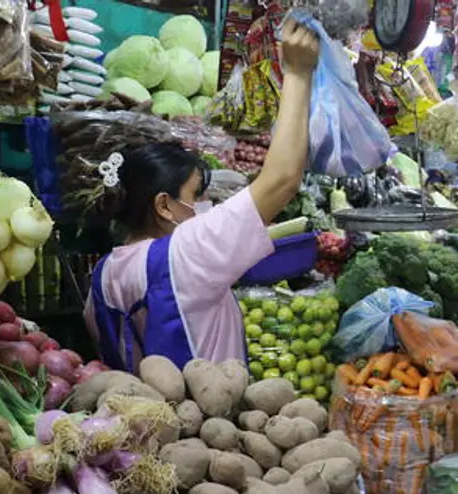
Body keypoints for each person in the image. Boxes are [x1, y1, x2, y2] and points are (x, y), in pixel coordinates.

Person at [83, 23, 319, 371]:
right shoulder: (187, 254)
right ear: (164, 205)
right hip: (207, 421)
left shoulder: (102, 276)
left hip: (141, 419)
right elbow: (282, 179)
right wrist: (298, 73)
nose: (203, 208)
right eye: (196, 196)